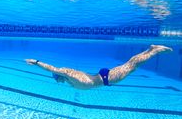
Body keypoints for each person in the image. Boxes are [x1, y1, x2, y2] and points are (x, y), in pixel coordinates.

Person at [25, 45, 172, 90]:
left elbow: (52, 68)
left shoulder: (66, 73)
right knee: (130, 66)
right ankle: (151, 50)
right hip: (102, 77)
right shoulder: (69, 79)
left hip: (106, 78)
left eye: (57, 79)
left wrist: (36, 62)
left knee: (131, 66)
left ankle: (154, 50)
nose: (58, 81)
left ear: (60, 76)